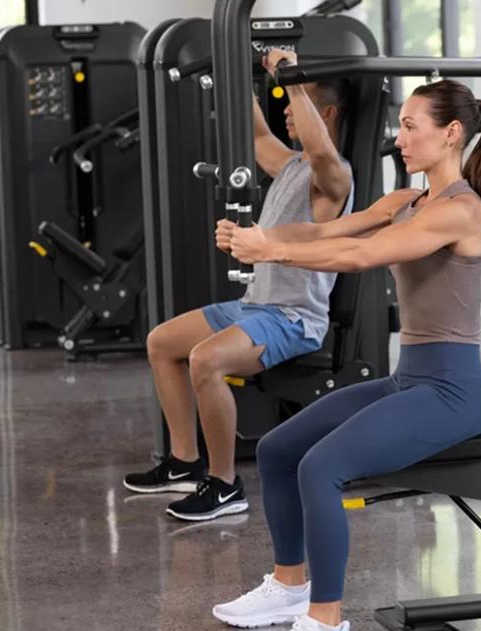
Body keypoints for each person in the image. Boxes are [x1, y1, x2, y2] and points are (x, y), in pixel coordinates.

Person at [211, 79, 481, 631]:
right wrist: (261, 238)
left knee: (322, 467)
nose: (399, 136)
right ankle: (290, 583)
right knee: (278, 449)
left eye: (412, 125)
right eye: (400, 123)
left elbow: (359, 258)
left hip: (451, 393)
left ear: (451, 134)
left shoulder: (460, 210)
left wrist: (271, 253)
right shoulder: (407, 201)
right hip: (409, 379)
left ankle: (326, 628)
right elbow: (326, 233)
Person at [122, 49, 354, 524]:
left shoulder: (334, 178)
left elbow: (323, 152)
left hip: (292, 319)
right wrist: (236, 73)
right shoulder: (291, 166)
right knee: (162, 343)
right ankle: (185, 462)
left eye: (298, 100)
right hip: (255, 306)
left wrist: (288, 77)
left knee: (206, 359)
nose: (286, 108)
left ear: (325, 113)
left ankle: (225, 484)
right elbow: (255, 133)